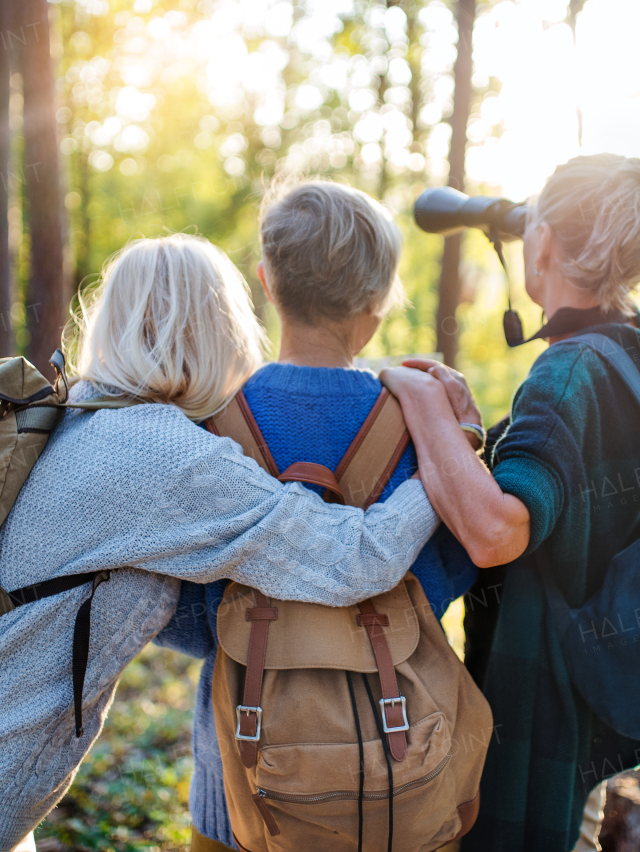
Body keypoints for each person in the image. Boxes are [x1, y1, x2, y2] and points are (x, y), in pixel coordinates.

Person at [0, 234, 444, 852]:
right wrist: (446, 452)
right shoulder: (166, 458)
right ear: (219, 327)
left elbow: (158, 615)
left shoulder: (78, 413)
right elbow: (354, 558)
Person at [381, 152, 640, 851]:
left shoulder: (568, 369)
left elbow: (499, 532)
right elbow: (578, 485)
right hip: (599, 684)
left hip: (544, 700)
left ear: (546, 244)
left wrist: (420, 400)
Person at [152, 180, 480, 852]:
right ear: (378, 301)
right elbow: (449, 570)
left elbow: (174, 599)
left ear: (267, 282)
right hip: (398, 768)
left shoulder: (207, 419)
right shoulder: (419, 423)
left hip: (244, 770)